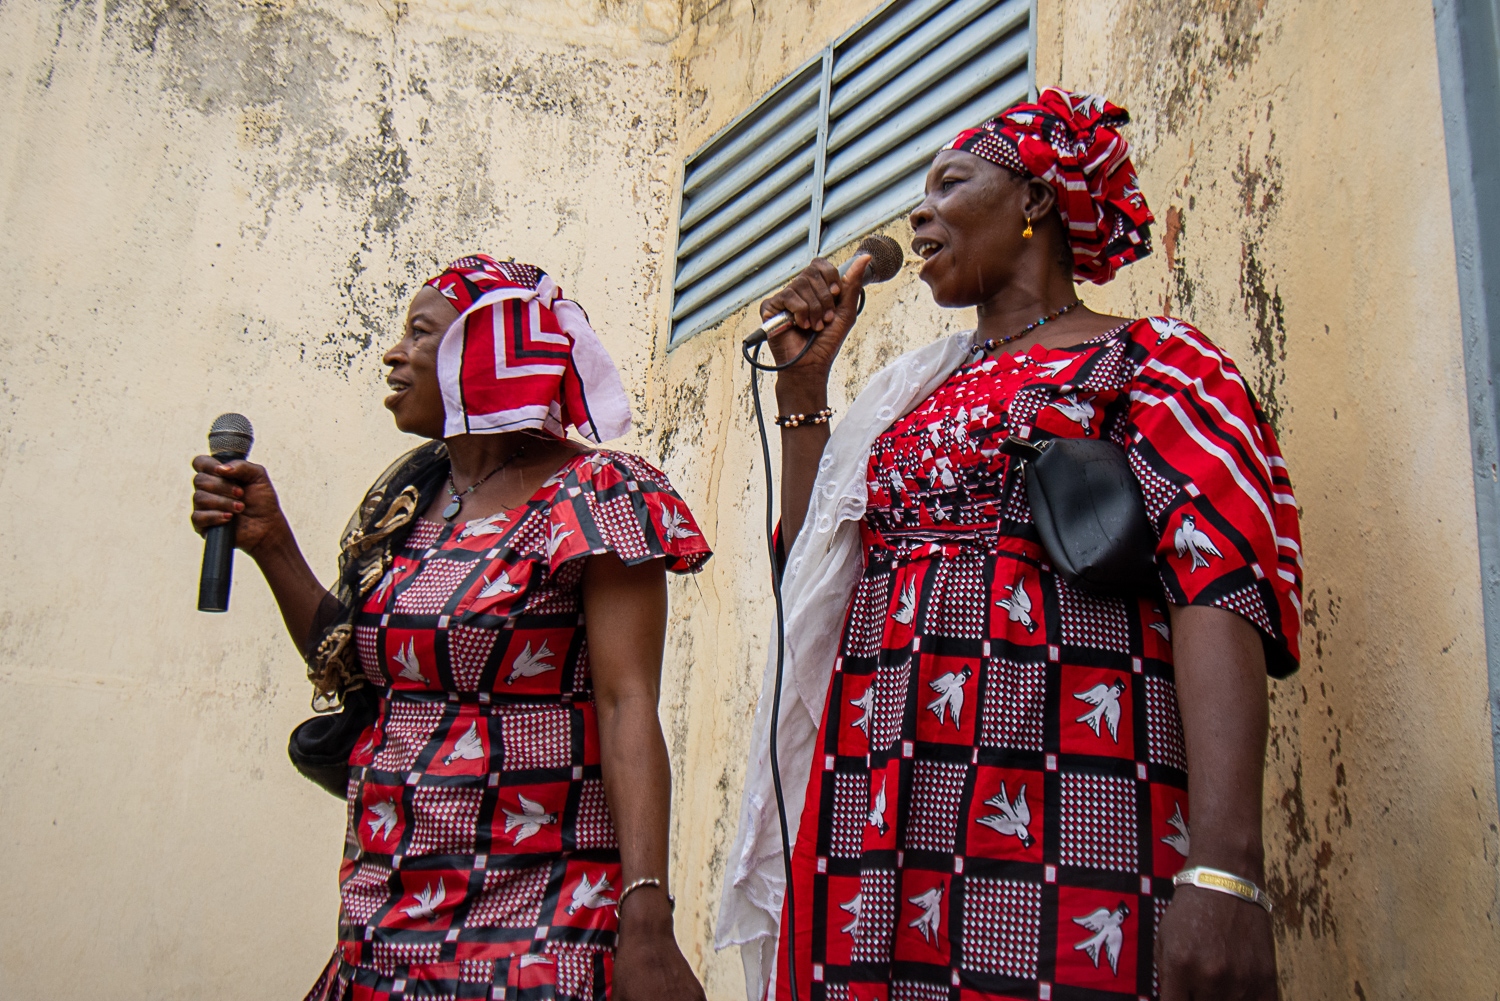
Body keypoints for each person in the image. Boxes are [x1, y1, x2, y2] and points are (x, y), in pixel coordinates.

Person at [716, 90, 1300, 1001]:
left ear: (1035, 198)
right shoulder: (907, 396)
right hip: (877, 798)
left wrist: (1226, 869)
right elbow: (816, 584)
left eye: (950, 183)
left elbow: (1220, 586)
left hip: (1065, 789)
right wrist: (806, 391)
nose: (918, 213)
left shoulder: (1157, 361)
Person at [191, 255, 712, 1001]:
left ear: (485, 349)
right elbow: (353, 666)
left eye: (421, 334)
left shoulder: (598, 494)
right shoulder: (409, 497)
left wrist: (649, 922)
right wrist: (271, 543)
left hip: (542, 911)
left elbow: (628, 705)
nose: (393, 353)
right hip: (386, 908)